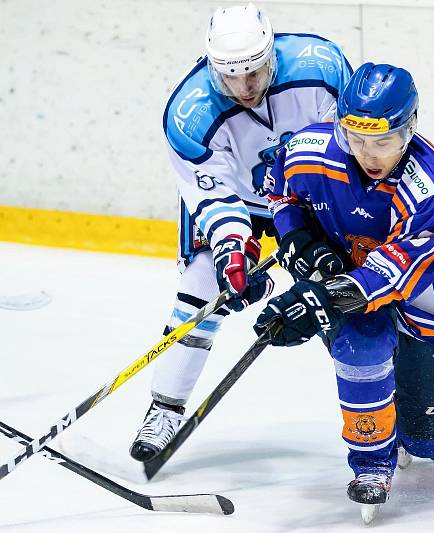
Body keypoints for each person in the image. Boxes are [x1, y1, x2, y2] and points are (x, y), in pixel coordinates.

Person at [129, 3, 352, 461]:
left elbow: (350, 153)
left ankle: (385, 412)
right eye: (232, 76)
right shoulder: (189, 115)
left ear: (272, 54)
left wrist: (316, 230)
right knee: (200, 286)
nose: (246, 87)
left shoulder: (322, 67)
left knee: (338, 293)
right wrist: (233, 249)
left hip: (310, 194)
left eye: (254, 72)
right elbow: (213, 195)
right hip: (238, 202)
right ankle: (166, 407)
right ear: (213, 66)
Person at [254, 62, 434, 514]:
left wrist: (321, 300)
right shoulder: (308, 149)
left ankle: (418, 434)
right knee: (360, 349)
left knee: (430, 443)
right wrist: (299, 239)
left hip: (425, 299)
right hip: (345, 281)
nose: (368, 154)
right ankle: (371, 464)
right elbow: (280, 191)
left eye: (383, 141)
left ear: (410, 128)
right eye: (355, 139)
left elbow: (395, 272)